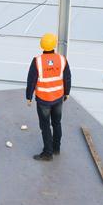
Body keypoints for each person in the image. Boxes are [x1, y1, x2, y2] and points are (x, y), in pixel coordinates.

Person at [26, 33, 72, 162]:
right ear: (54, 45)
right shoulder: (62, 59)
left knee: (45, 126)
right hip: (58, 98)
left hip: (43, 100)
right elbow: (67, 78)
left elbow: (31, 80)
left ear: (42, 45)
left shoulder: (37, 61)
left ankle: (48, 153)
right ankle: (56, 148)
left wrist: (28, 96)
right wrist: (67, 92)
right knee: (57, 123)